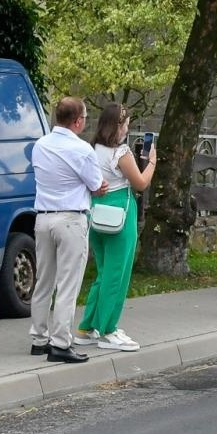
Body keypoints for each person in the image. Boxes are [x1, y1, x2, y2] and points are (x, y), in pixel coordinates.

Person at [72, 104, 158, 352]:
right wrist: (151, 161)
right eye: (126, 124)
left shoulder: (92, 148)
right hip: (121, 213)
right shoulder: (121, 152)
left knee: (102, 272)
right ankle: (108, 329)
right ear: (118, 126)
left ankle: (87, 327)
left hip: (96, 212)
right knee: (117, 274)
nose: (127, 128)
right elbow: (140, 183)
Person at [29, 98, 108, 363]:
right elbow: (97, 185)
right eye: (85, 118)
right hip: (71, 218)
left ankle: (38, 338)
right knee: (67, 284)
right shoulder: (82, 149)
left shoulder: (40, 145)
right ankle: (60, 343)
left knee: (44, 281)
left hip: (43, 218)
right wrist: (95, 187)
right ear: (77, 121)